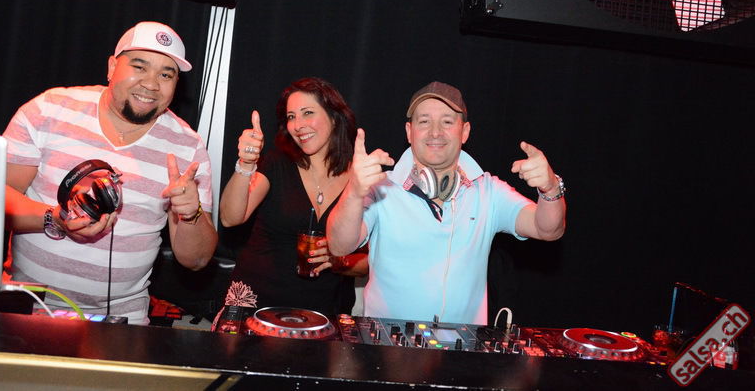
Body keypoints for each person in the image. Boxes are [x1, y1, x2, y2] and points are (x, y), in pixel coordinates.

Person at [3, 21, 218, 325]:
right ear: (112, 67)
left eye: (166, 74)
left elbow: (196, 260)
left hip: (122, 318)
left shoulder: (187, 147)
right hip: (27, 304)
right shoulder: (48, 109)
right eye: (139, 67)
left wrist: (190, 213)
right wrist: (55, 218)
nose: (151, 84)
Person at [327, 81, 566, 325]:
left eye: (447, 122)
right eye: (424, 121)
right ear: (409, 131)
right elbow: (338, 245)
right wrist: (354, 192)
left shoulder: (488, 191)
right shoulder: (381, 187)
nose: (435, 132)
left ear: (465, 131)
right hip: (385, 344)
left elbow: (548, 229)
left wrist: (550, 188)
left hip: (463, 346)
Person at [216, 77, 367, 319]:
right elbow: (230, 218)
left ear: (334, 116)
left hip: (323, 313)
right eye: (291, 117)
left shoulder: (360, 177)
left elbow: (373, 260)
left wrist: (339, 260)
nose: (298, 125)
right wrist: (246, 163)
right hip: (255, 305)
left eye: (308, 113)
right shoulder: (276, 163)